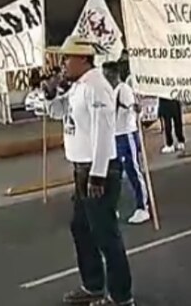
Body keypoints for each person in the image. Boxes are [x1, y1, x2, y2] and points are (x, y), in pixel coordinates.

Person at [43, 38, 135, 306]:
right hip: (81, 169)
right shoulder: (78, 87)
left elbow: (104, 131)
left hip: (97, 171)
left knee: (105, 235)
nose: (62, 64)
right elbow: (60, 113)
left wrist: (98, 174)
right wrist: (50, 94)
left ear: (83, 59)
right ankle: (93, 285)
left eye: (66, 58)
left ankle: (121, 296)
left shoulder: (96, 87)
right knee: (81, 228)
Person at [108, 63, 150, 225]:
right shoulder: (110, 91)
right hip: (114, 135)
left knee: (133, 170)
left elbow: (131, 106)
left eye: (107, 74)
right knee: (114, 173)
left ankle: (142, 207)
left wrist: (135, 108)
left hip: (126, 134)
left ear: (114, 74)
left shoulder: (123, 89)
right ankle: (112, 207)